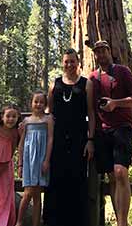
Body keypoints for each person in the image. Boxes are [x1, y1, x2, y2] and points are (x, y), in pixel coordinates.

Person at [89, 40, 132, 226]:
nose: (101, 54)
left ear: (109, 52)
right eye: (98, 52)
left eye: (104, 50)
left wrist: (115, 103)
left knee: (121, 172)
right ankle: (119, 219)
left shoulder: (122, 71)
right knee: (112, 176)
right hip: (102, 131)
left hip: (122, 127)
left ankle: (123, 222)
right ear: (94, 55)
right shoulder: (92, 78)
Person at [43, 48, 95, 226]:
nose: (69, 65)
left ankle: (77, 221)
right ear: (62, 63)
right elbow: (48, 112)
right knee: (56, 179)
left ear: (78, 62)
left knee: (77, 179)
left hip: (78, 139)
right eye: (66, 61)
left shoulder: (86, 84)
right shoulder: (55, 84)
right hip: (56, 139)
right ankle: (53, 221)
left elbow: (91, 113)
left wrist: (90, 140)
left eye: (72, 61)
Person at [16, 91, 54, 226]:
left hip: (41, 159)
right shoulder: (26, 121)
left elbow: (50, 139)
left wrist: (47, 160)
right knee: (28, 192)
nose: (38, 104)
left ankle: (36, 223)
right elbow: (21, 144)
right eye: (35, 101)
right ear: (31, 103)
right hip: (28, 160)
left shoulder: (48, 119)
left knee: (38, 195)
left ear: (45, 104)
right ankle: (19, 222)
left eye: (41, 102)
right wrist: (20, 164)